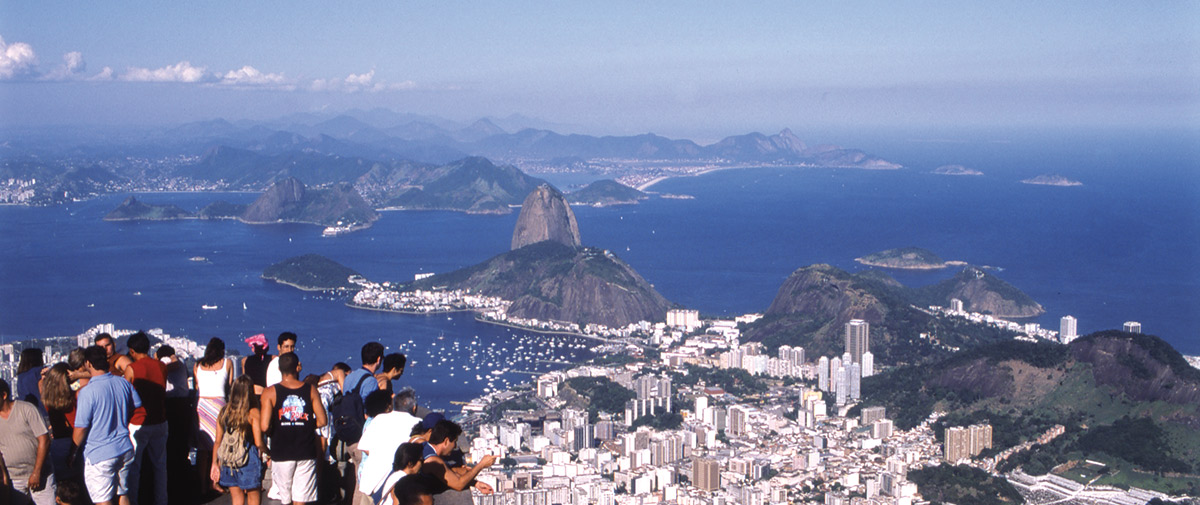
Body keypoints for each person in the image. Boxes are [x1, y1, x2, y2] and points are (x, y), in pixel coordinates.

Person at [72, 345, 141, 505]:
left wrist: (73, 451)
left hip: (100, 453)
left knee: (103, 500)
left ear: (88, 363)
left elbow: (81, 427)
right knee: (122, 493)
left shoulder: (87, 392)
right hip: (124, 447)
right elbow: (136, 404)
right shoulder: (123, 383)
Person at [261, 352, 326, 505]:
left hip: (281, 451)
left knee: (285, 499)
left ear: (279, 369)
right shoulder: (310, 390)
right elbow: (322, 420)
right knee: (301, 500)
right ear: (298, 368)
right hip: (305, 451)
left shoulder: (270, 392)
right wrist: (305, 424)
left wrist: (277, 427)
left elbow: (264, 425)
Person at [122, 332, 168, 505]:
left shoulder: (132, 369)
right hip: (160, 420)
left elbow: (125, 395)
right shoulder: (161, 366)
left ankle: (133, 501)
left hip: (138, 422)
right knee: (160, 466)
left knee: (134, 468)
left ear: (132, 351)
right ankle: (161, 501)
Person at [210, 376, 268, 505]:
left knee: (236, 498)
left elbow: (218, 441)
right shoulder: (253, 413)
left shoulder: (224, 411)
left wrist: (215, 463)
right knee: (253, 497)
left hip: (229, 460)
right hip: (248, 458)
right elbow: (258, 442)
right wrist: (269, 453)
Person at [358, 390, 422, 504]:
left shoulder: (379, 418)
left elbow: (364, 447)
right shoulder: (417, 423)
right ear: (414, 407)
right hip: (393, 486)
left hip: (370, 481)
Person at [0, 378, 56, 505]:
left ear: (4, 395)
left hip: (41, 474)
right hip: (14, 478)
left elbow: (44, 440)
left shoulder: (26, 409)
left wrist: (37, 472)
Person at [420, 420, 495, 504]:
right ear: (446, 441)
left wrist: (475, 483)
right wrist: (481, 465)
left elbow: (450, 472)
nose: (455, 446)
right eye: (454, 442)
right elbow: (458, 484)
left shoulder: (425, 447)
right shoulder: (433, 460)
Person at [194, 337, 233, 496]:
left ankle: (202, 484)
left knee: (203, 449)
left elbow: (197, 386)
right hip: (219, 406)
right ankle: (215, 482)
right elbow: (229, 387)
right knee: (219, 445)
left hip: (202, 406)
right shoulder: (227, 363)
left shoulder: (198, 365)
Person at [154, 346, 191, 505]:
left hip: (169, 405)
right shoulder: (182, 362)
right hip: (183, 405)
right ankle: (183, 485)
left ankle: (171, 487)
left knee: (169, 446)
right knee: (181, 445)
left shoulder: (166, 363)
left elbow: (170, 366)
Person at [39, 363, 79, 482]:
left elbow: (41, 385)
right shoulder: (76, 396)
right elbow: (92, 379)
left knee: (62, 482)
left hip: (57, 443)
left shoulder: (47, 399)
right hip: (76, 441)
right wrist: (78, 375)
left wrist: (47, 377)